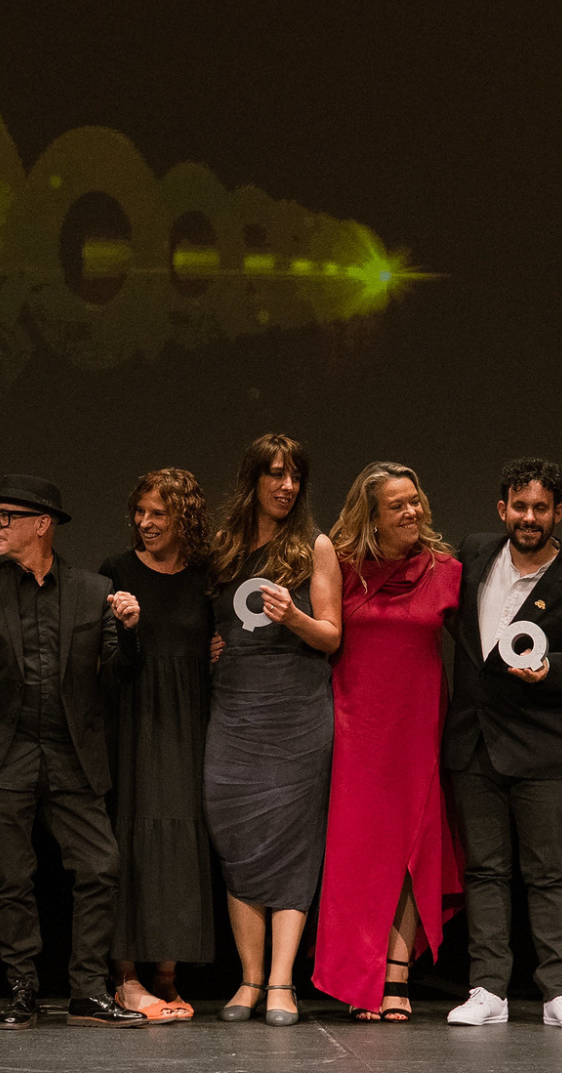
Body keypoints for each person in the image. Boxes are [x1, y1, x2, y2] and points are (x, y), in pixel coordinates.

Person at [0, 475, 148, 1030]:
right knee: (12, 879)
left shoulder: (90, 589)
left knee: (100, 866)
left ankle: (86, 990)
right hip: (2, 753)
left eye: (5, 516)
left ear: (42, 523)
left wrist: (128, 631)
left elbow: (121, 674)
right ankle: (22, 989)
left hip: (71, 753)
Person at [443, 458, 562, 1030]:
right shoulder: (471, 554)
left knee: (548, 873)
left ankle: (559, 990)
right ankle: (487, 988)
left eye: (541, 508)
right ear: (502, 509)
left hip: (541, 748)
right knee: (485, 871)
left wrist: (552, 668)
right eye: (520, 506)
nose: (529, 517)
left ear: (558, 513)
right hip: (473, 743)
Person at [313, 462, 463, 1022]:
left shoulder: (446, 571)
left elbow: (477, 650)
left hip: (419, 730)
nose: (412, 511)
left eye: (416, 500)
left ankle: (395, 977)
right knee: (359, 855)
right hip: (358, 730)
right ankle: (360, 975)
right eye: (397, 504)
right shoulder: (344, 566)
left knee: (411, 854)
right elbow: (322, 636)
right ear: (371, 515)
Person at [203, 433, 342, 1028]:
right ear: (253, 480)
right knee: (237, 836)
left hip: (295, 709)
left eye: (294, 477)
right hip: (234, 708)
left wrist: (296, 618)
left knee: (291, 843)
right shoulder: (224, 548)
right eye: (274, 475)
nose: (286, 486)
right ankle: (249, 979)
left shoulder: (315, 547)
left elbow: (333, 635)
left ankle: (282, 982)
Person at [98, 469, 217, 1023]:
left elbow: (215, 643)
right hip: (135, 720)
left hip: (189, 720)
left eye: (159, 514)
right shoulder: (117, 572)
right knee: (134, 837)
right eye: (141, 512)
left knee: (179, 840)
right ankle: (125, 976)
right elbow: (106, 660)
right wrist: (128, 629)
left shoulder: (204, 579)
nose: (145, 523)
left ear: (184, 518)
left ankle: (167, 973)